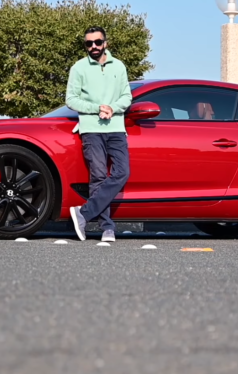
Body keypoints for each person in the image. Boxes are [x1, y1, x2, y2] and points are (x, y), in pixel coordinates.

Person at [66, 26, 132, 242]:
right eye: (89, 43)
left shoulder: (119, 66)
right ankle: (107, 228)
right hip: (91, 129)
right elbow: (71, 99)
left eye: (97, 42)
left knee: (122, 172)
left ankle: (83, 213)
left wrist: (113, 108)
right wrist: (97, 108)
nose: (93, 46)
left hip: (116, 128)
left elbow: (127, 96)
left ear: (105, 43)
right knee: (98, 176)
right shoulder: (79, 68)